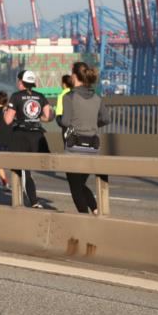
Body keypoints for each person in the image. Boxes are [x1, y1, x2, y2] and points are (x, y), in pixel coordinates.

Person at [61, 61, 108, 215]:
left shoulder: (69, 97)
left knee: (75, 187)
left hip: (74, 147)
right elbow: (106, 119)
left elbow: (66, 122)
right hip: (92, 147)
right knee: (80, 184)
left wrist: (59, 120)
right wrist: (93, 123)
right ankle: (95, 209)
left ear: (74, 76)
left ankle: (84, 219)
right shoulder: (97, 97)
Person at [4, 70, 53, 208]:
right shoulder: (41, 96)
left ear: (21, 81)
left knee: (22, 170)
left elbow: (8, 120)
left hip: (21, 135)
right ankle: (24, 199)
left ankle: (33, 201)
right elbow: (49, 116)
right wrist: (36, 118)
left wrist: (6, 112)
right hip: (37, 135)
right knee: (25, 170)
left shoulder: (16, 96)